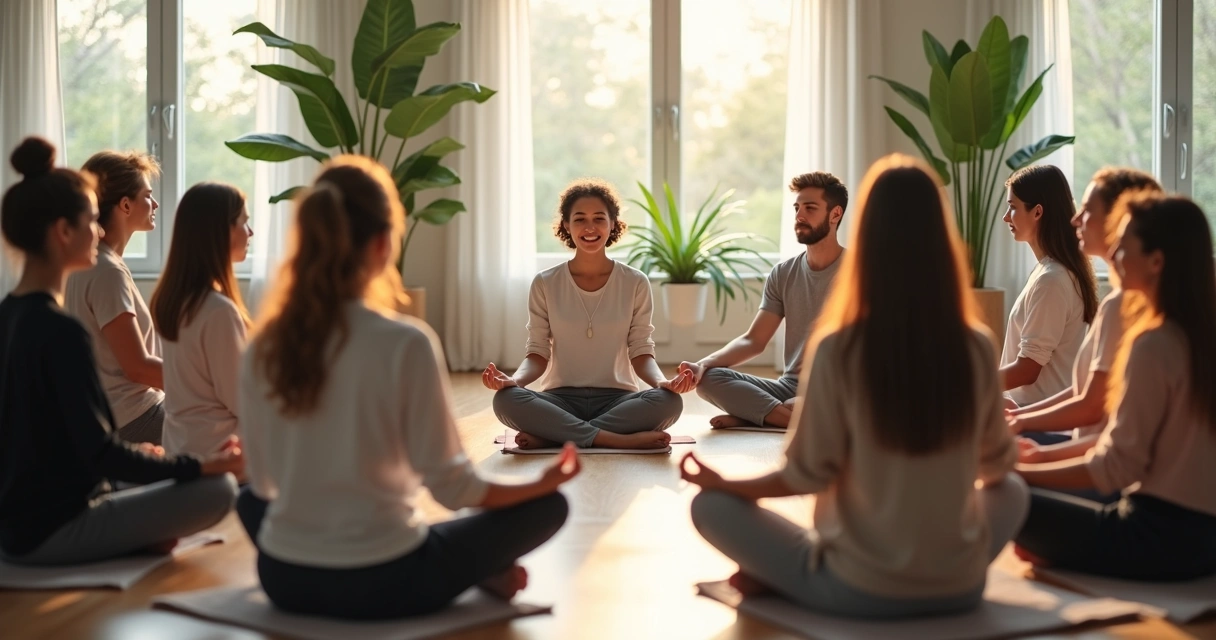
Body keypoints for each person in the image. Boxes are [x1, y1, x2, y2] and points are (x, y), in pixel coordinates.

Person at [680, 154, 1027, 618]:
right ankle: (944, 570)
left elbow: (803, 476)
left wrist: (723, 484)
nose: (800, 214)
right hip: (959, 587)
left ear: (864, 230)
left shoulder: (839, 348)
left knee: (711, 507)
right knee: (1015, 493)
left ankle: (785, 574)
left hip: (858, 590)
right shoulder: (977, 345)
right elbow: (999, 468)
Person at [236, 155, 576, 620]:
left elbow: (263, 480)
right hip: (384, 582)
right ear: (381, 245)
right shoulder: (404, 342)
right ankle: (480, 569)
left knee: (246, 501)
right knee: (548, 506)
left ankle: (476, 569)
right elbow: (453, 488)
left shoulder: (264, 345)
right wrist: (544, 480)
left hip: (284, 578)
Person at [0, 137, 240, 566]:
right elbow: (100, 451)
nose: (98, 232)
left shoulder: (10, 314)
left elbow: (66, 445)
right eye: (92, 221)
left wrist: (136, 462)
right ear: (63, 232)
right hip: (54, 527)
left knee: (157, 470)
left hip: (20, 517)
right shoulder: (61, 330)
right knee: (218, 489)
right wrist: (197, 467)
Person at [1013, 193, 1216, 581]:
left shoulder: (1154, 344)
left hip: (1156, 540)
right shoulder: (1199, 338)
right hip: (1206, 543)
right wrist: (1035, 461)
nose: (1115, 254)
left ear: (1156, 262)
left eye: (1124, 246)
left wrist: (1020, 472)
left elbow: (1116, 466)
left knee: (997, 496)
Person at [486, 178, 690, 450]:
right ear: (566, 225)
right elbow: (537, 351)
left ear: (613, 223)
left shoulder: (635, 282)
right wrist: (515, 380)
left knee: (669, 402)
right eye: (580, 219)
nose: (590, 227)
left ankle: (553, 435)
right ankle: (613, 439)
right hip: (559, 399)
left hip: (619, 400)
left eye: (599, 218)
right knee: (505, 399)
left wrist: (663, 382)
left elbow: (641, 351)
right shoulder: (545, 282)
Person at [1010, 168, 1162, 459]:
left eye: (1087, 210)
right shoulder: (1115, 302)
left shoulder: (1123, 306)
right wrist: (1021, 418)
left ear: (1118, 222)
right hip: (1087, 447)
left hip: (1096, 459)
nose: (1075, 219)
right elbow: (1084, 394)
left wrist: (1026, 435)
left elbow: (1093, 410)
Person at [678, 172, 847, 430]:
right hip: (790, 387)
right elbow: (753, 341)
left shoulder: (861, 272)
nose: (800, 216)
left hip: (840, 389)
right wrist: (702, 365)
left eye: (810, 208)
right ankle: (793, 419)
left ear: (835, 214)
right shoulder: (783, 273)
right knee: (711, 379)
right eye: (797, 208)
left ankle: (763, 416)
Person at [64, 150, 166, 444]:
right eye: (148, 195)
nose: (155, 203)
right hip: (133, 419)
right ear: (125, 205)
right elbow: (137, 367)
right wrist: (203, 382)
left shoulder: (88, 263)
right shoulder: (107, 271)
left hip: (116, 414)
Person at [151, 182, 253, 457]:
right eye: (245, 222)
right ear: (222, 232)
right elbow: (241, 400)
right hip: (219, 454)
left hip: (182, 446)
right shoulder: (217, 311)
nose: (250, 232)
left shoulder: (175, 300)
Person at [999, 165, 1098, 412]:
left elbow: (1028, 369)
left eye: (1013, 207)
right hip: (1026, 413)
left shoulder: (1052, 280)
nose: (1006, 217)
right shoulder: (1049, 272)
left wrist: (971, 385)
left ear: (1037, 212)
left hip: (1034, 419)